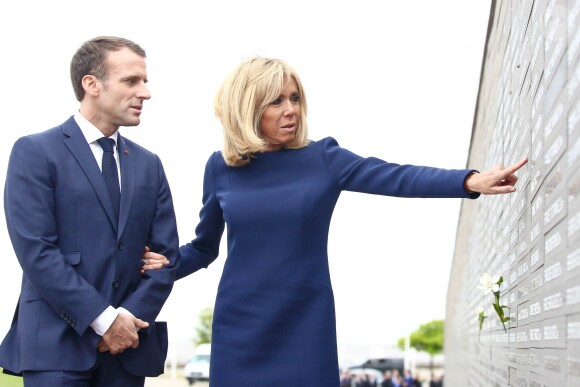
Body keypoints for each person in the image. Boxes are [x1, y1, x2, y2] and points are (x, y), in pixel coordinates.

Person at [145, 57, 527, 385]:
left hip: (305, 324)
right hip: (239, 326)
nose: (291, 109)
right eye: (276, 101)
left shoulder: (323, 158)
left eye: (294, 98)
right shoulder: (221, 167)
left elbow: (397, 176)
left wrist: (469, 181)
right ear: (247, 107)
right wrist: (167, 265)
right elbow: (204, 247)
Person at [0, 36, 179, 387]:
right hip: (57, 347)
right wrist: (103, 320)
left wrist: (125, 320)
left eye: (145, 81)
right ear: (91, 84)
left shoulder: (149, 165)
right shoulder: (35, 152)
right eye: (132, 81)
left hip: (129, 348)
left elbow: (165, 257)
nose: (145, 92)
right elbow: (37, 252)